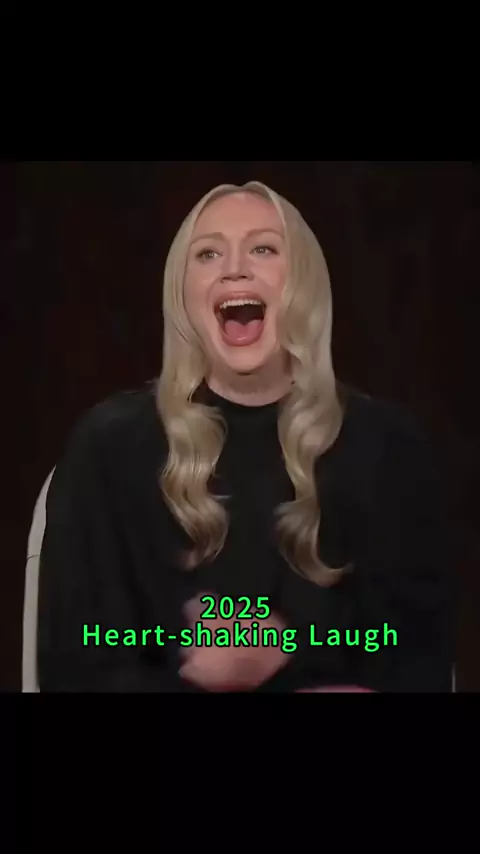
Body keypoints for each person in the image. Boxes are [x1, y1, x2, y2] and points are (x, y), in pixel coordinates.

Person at [37, 181, 454, 692]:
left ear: (304, 282)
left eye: (263, 249)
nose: (234, 269)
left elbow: (416, 658)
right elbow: (77, 664)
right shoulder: (108, 448)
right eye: (208, 254)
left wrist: (289, 652)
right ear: (183, 294)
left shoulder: (389, 448)